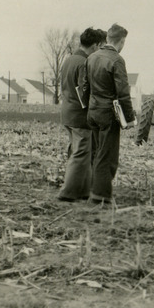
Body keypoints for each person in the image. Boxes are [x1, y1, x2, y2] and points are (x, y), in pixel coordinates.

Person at [82, 23, 136, 206]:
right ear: (121, 41)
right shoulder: (117, 60)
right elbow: (123, 93)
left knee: (96, 153)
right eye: (124, 42)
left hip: (93, 112)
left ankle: (93, 191)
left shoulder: (92, 57)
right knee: (108, 156)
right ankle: (101, 196)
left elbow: (84, 87)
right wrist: (129, 118)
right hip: (108, 114)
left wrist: (87, 108)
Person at [57, 27, 106, 202]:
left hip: (68, 113)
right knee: (80, 153)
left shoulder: (70, 60)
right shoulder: (84, 63)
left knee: (81, 152)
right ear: (95, 45)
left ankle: (83, 191)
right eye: (101, 46)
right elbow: (84, 93)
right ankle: (68, 192)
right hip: (79, 116)